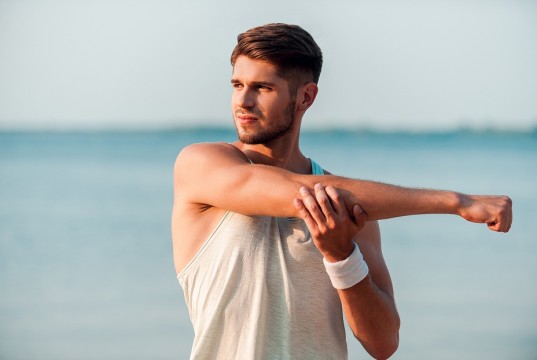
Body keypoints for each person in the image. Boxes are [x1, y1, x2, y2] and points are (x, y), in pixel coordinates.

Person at [171, 23, 512, 360]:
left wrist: (342, 257)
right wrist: (458, 202)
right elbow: (296, 191)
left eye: (262, 87)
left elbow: (383, 343)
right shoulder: (202, 164)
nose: (243, 101)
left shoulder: (352, 204)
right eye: (237, 84)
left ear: (305, 96)